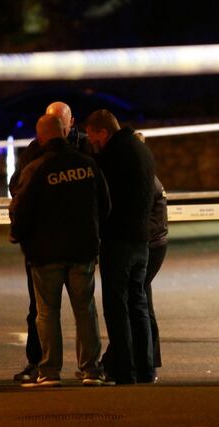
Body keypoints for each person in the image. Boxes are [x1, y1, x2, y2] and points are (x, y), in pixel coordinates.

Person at [9, 114, 112, 387]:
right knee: (85, 310)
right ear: (65, 133)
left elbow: (19, 209)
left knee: (47, 313)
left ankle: (49, 371)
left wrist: (19, 237)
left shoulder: (36, 168)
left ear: (41, 137)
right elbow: (105, 204)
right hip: (82, 250)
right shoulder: (87, 164)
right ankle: (91, 369)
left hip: (46, 254)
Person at [85, 109, 155, 384]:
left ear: (102, 132)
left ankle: (124, 370)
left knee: (117, 306)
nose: (91, 142)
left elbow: (106, 199)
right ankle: (146, 368)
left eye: (92, 136)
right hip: (142, 240)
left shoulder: (114, 155)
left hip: (119, 240)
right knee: (138, 304)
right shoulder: (140, 148)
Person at [145, 175, 168, 374]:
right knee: (142, 300)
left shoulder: (145, 179)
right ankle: (149, 361)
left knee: (139, 302)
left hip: (149, 244)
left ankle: (147, 361)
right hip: (155, 243)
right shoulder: (151, 177)